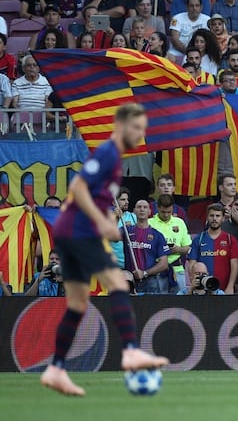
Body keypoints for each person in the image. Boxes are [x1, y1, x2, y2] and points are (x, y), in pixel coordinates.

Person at [40, 103, 168, 396]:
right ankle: (131, 351)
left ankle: (56, 369)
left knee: (76, 305)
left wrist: (105, 219)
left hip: (71, 232)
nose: (141, 133)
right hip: (79, 232)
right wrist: (102, 223)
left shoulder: (114, 157)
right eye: (137, 128)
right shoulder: (108, 153)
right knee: (118, 284)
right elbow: (81, 189)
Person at [186, 203, 238, 294]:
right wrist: (194, 284)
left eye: (218, 216)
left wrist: (230, 286)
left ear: (223, 218)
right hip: (202, 290)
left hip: (224, 289)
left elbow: (235, 266)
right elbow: (192, 265)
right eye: (212, 215)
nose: (214, 219)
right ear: (207, 217)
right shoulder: (198, 239)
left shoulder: (230, 239)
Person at [124, 200, 171, 294]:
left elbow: (164, 264)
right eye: (139, 207)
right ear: (134, 211)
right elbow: (109, 235)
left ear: (150, 211)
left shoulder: (157, 235)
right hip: (130, 282)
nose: (142, 209)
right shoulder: (126, 231)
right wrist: (116, 217)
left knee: (152, 308)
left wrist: (145, 273)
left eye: (145, 207)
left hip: (151, 281)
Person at [149, 193, 190, 293]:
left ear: (173, 208)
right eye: (163, 212)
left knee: (180, 302)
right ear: (157, 207)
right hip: (157, 269)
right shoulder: (149, 223)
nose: (166, 215)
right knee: (158, 302)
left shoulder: (179, 222)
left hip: (177, 269)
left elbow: (188, 248)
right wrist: (162, 250)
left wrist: (178, 249)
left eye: (169, 212)